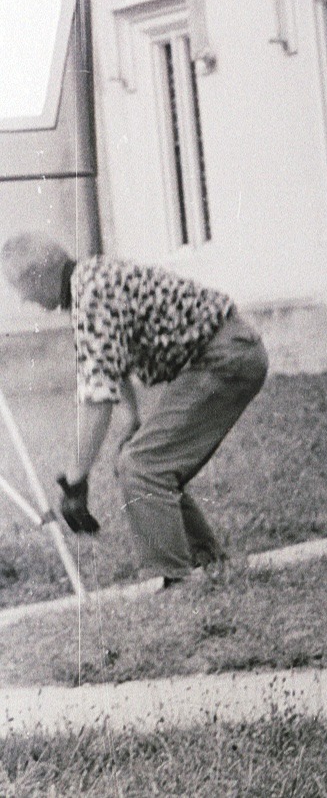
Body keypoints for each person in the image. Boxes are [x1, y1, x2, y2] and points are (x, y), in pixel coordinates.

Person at [1, 232, 268, 584]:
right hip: (227, 351)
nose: (22, 299)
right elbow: (113, 362)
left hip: (224, 356)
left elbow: (97, 399)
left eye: (19, 287)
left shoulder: (90, 294)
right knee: (141, 458)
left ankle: (170, 578)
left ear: (38, 276)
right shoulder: (89, 279)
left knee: (142, 465)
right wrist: (134, 419)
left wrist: (75, 483)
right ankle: (207, 562)